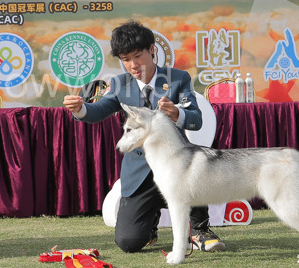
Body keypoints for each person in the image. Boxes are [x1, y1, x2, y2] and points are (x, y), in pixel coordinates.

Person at [63, 20, 226, 254]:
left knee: (195, 164)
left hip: (176, 166)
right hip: (140, 172)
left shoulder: (178, 78)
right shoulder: (119, 84)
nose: (133, 65)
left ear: (152, 49)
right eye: (125, 59)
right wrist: (80, 109)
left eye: (137, 56)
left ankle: (199, 229)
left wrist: (177, 113)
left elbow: (196, 119)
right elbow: (99, 110)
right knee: (128, 242)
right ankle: (150, 226)